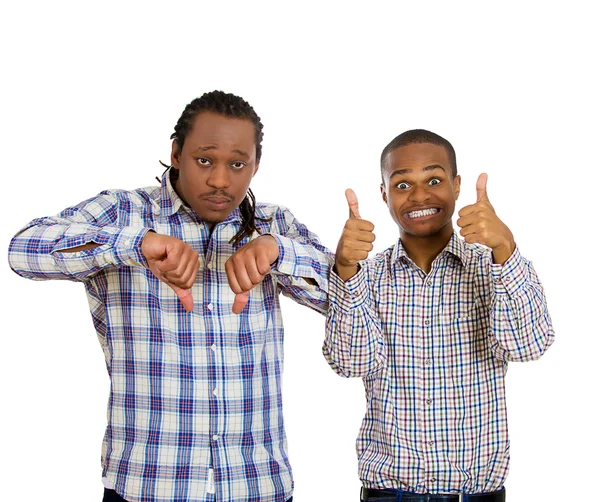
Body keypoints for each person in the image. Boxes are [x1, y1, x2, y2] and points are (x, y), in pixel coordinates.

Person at [8, 90, 333, 502]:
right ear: (177, 153)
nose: (220, 180)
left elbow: (349, 300)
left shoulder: (273, 223)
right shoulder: (124, 212)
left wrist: (280, 252)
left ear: (256, 164)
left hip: (257, 484)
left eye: (238, 164)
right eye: (204, 160)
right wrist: (136, 246)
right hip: (149, 485)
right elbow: (23, 250)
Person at [323, 129, 554, 501]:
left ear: (457, 185)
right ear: (383, 193)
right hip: (390, 494)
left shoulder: (494, 266)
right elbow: (351, 363)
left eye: (433, 179)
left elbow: (529, 346)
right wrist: (346, 269)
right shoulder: (366, 276)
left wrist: (506, 248)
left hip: (476, 494)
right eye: (401, 184)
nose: (418, 196)